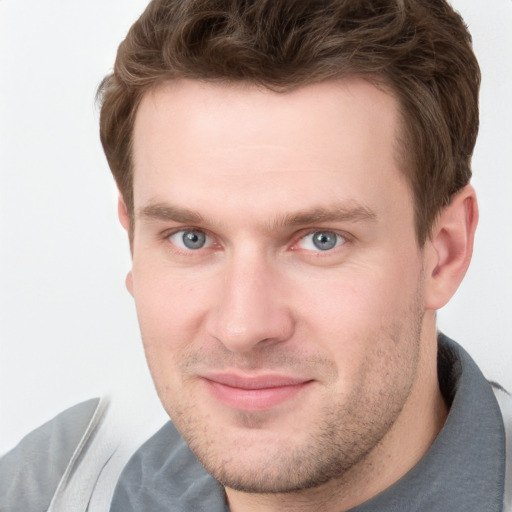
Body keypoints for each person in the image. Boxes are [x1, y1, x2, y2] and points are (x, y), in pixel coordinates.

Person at [1, 0, 511, 511]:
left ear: (444, 253)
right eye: (191, 238)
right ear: (132, 242)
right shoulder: (51, 490)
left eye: (320, 240)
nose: (243, 328)